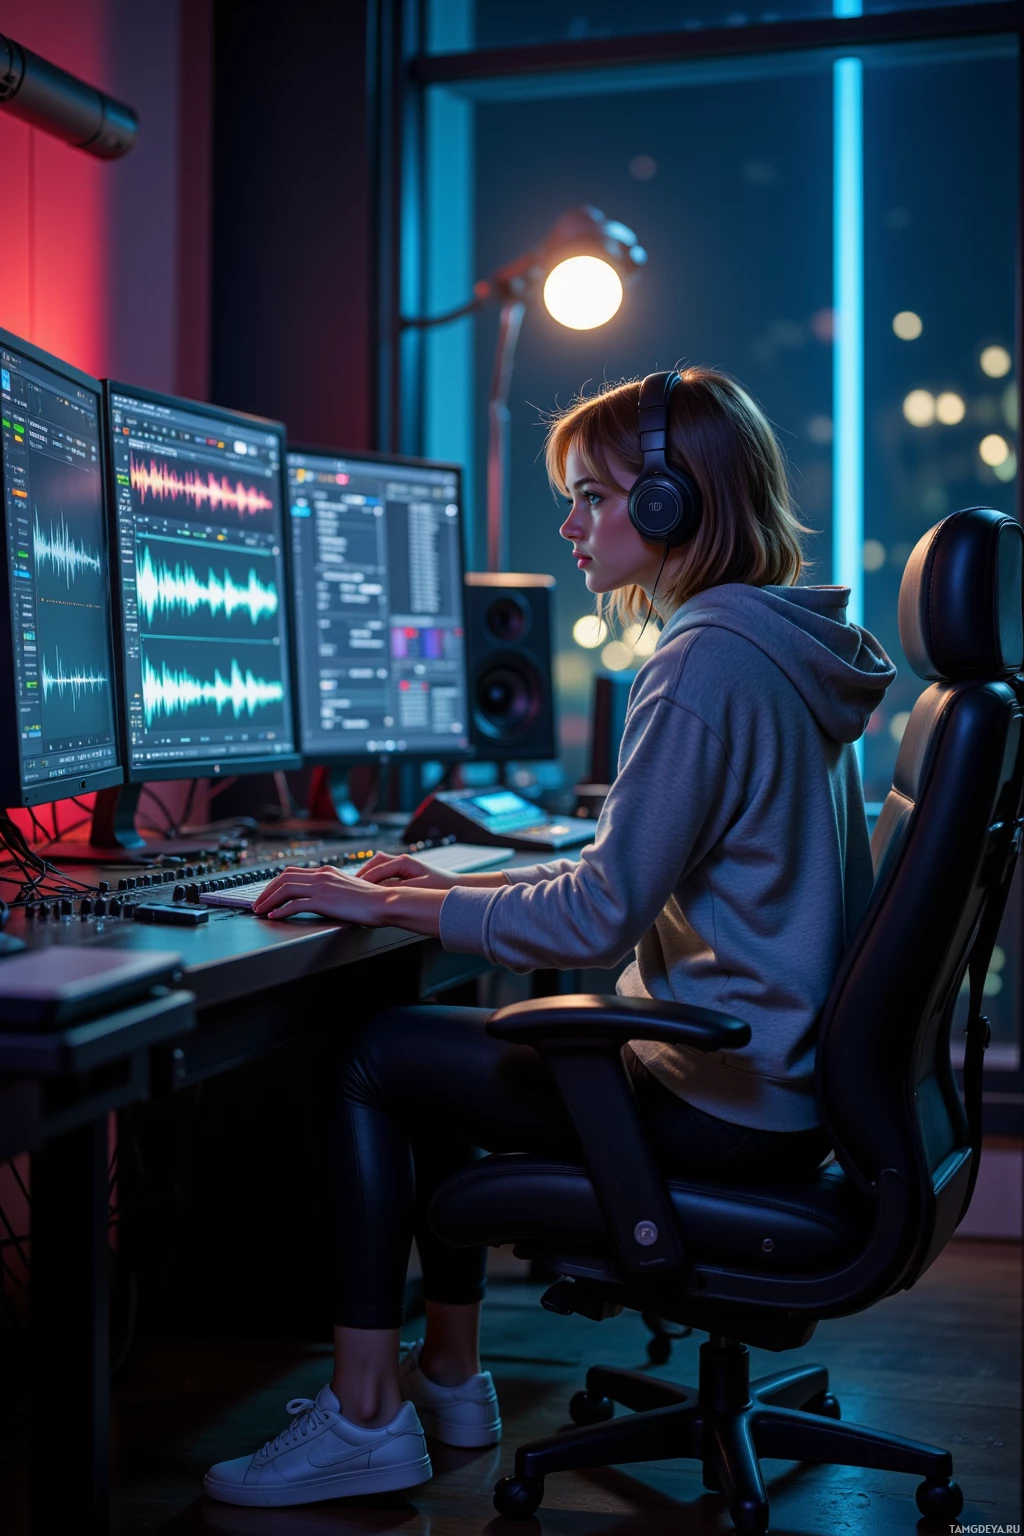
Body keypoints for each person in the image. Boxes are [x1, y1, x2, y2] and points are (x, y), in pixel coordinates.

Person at [203, 368, 895, 1508]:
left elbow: (595, 915)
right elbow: (631, 870)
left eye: (593, 497)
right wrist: (441, 885)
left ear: (672, 506)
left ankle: (369, 1416)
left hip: (721, 1097)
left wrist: (379, 903)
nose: (570, 525)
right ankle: (452, 1380)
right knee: (447, 1045)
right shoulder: (777, 645)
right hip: (773, 1082)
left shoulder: (701, 664)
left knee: (382, 1053)